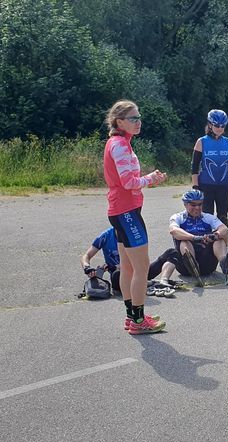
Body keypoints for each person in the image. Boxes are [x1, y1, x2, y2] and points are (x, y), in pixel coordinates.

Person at [103, 99, 167, 335]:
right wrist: (150, 179)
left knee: (128, 267)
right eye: (133, 118)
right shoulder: (119, 144)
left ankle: (133, 316)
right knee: (141, 268)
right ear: (119, 121)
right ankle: (138, 322)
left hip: (122, 211)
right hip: (126, 211)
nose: (138, 122)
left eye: (139, 117)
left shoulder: (121, 143)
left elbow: (128, 180)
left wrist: (149, 179)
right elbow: (128, 182)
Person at [150, 189, 228, 284]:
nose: (197, 208)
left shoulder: (208, 217)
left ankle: (225, 263)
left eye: (200, 204)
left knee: (219, 239)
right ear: (185, 204)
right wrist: (194, 238)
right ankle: (187, 266)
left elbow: (224, 229)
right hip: (185, 266)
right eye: (193, 205)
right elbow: (173, 230)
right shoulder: (178, 217)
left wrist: (215, 235)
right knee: (180, 246)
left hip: (207, 264)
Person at [191, 109, 228, 227]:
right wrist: (195, 187)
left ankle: (223, 239)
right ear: (210, 125)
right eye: (217, 125)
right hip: (206, 186)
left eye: (223, 126)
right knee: (207, 218)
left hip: (223, 185)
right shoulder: (201, 141)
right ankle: (206, 240)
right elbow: (194, 166)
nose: (220, 128)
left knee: (223, 218)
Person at [81, 227, 122, 293]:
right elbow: (86, 256)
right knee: (117, 275)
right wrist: (87, 268)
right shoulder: (106, 236)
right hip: (117, 276)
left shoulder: (134, 235)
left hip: (131, 272)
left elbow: (139, 261)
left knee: (119, 273)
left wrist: (116, 267)